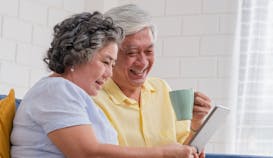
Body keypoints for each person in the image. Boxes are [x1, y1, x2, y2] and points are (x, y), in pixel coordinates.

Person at [10, 11, 199, 158]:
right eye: (106, 62)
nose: (109, 73)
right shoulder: (56, 90)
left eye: (113, 64)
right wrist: (164, 153)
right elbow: (88, 153)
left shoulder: (73, 94)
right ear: (80, 55)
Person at [93, 4, 211, 156]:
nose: (142, 62)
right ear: (109, 53)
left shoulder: (161, 88)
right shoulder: (95, 99)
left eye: (149, 51)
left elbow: (184, 152)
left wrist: (197, 123)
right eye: (132, 53)